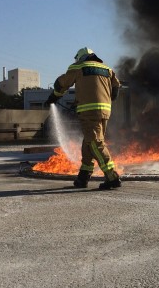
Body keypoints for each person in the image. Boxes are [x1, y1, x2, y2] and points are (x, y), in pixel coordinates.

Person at [45, 47, 122, 189]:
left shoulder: (79, 67)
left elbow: (61, 83)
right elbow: (116, 86)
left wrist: (54, 97)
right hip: (105, 111)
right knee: (88, 142)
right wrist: (107, 98)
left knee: (95, 143)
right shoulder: (107, 68)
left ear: (81, 58)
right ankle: (83, 177)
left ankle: (112, 177)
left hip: (89, 111)